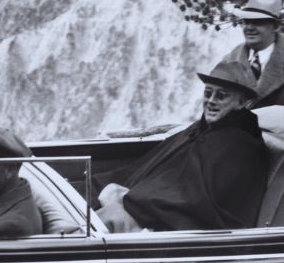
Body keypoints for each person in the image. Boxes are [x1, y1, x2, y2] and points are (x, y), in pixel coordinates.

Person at [97, 59, 268, 232]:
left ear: (241, 103)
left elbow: (200, 203)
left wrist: (132, 199)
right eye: (208, 93)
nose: (211, 101)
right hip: (150, 207)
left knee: (104, 219)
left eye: (221, 95)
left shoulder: (241, 146)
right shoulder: (199, 129)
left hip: (187, 231)